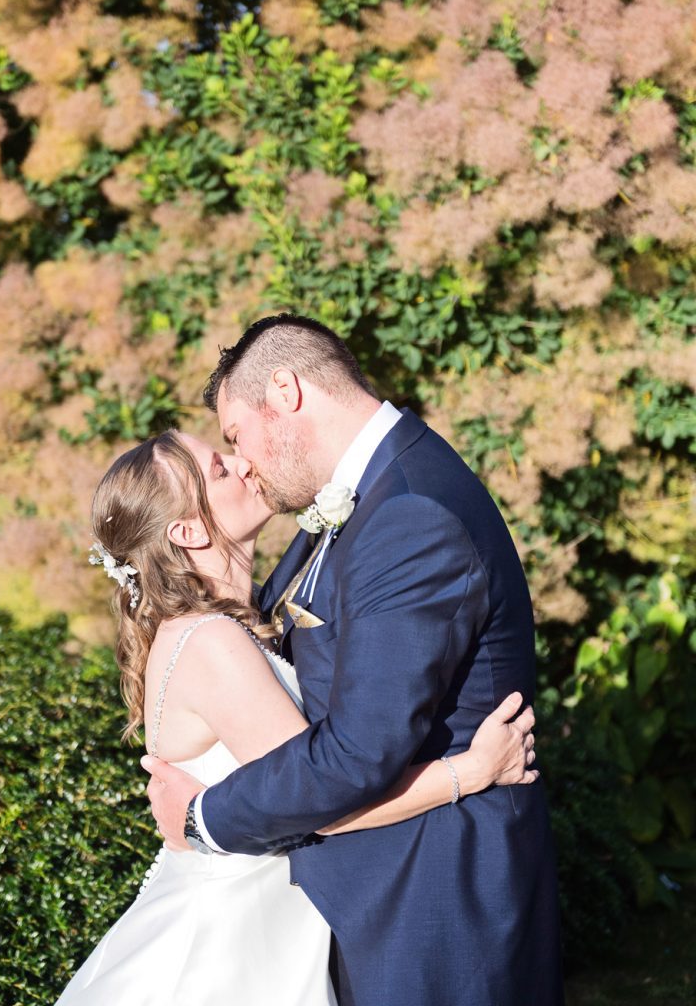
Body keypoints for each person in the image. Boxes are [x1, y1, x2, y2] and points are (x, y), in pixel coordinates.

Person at [145, 314, 564, 1006]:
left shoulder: (407, 512)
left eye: (235, 435)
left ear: (285, 390)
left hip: (435, 897)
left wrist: (206, 818)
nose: (242, 461)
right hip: (374, 892)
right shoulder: (360, 500)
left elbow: (359, 752)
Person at [54, 429, 538, 1005]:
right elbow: (322, 802)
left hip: (272, 920)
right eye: (218, 468)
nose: (242, 462)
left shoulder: (241, 616)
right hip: (232, 945)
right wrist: (473, 770)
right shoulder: (210, 641)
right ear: (187, 530)